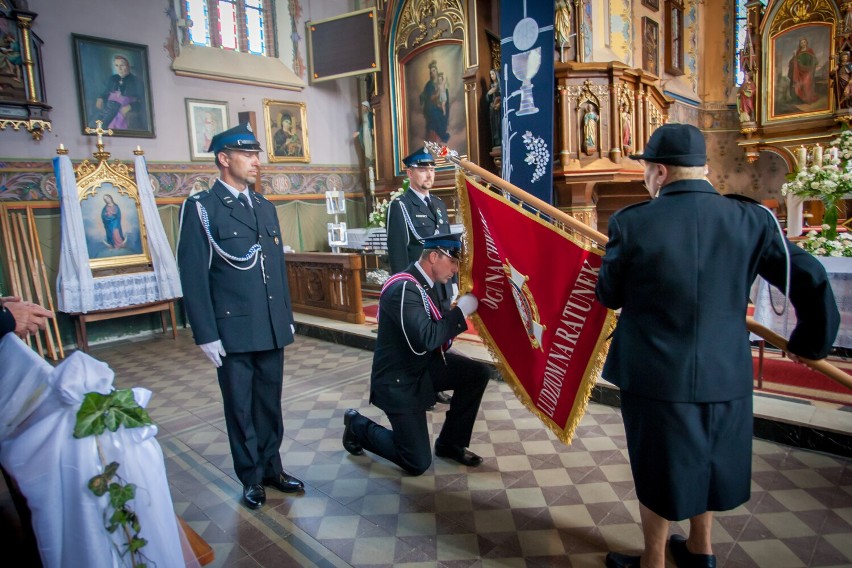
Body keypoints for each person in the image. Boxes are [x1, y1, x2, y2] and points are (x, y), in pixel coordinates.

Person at [596, 123, 840, 568]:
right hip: (724, 371)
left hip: (653, 374)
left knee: (659, 467)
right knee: (704, 460)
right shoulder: (752, 219)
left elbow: (609, 296)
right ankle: (699, 550)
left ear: (660, 173)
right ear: (703, 169)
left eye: (647, 170)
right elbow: (811, 276)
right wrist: (812, 341)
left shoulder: (631, 223)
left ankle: (653, 560)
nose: (646, 179)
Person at [177, 123, 302, 510]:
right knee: (241, 408)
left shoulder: (264, 206)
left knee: (269, 404)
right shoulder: (202, 208)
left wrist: (285, 316)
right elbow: (193, 274)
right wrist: (205, 333)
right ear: (223, 159)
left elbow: (276, 267)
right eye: (247, 155)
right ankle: (251, 477)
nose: (255, 162)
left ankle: (272, 468)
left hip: (268, 324)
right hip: (232, 328)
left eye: (256, 154)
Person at [341, 233, 491, 474]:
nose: (455, 269)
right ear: (434, 256)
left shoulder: (425, 285)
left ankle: (451, 444)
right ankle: (357, 426)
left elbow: (435, 335)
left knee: (477, 373)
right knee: (416, 461)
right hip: (399, 381)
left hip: (421, 368)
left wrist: (456, 351)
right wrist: (461, 311)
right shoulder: (404, 288)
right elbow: (427, 338)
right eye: (453, 262)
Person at [386, 147, 454, 405]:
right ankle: (419, 389)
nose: (429, 174)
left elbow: (447, 250)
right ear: (410, 172)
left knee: (439, 338)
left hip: (441, 287)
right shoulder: (401, 206)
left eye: (432, 169)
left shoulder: (438, 205)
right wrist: (406, 292)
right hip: (418, 289)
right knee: (418, 340)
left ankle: (435, 384)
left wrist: (452, 284)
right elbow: (398, 254)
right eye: (423, 169)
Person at [93, 54, 144, 130]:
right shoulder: (113, 78)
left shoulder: (136, 81)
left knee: (109, 124)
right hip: (109, 108)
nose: (119, 68)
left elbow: (142, 100)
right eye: (116, 65)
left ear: (128, 66)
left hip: (122, 108)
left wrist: (130, 107)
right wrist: (100, 98)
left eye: (122, 65)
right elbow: (106, 91)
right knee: (95, 122)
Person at [420, 60, 450, 143]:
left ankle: (441, 133)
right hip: (432, 107)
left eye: (434, 71)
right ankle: (436, 136)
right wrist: (438, 94)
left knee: (443, 110)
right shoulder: (429, 85)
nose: (432, 73)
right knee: (434, 113)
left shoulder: (440, 80)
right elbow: (431, 98)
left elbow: (444, 91)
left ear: (436, 71)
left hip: (440, 104)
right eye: (431, 72)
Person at [788, 37, 818, 105]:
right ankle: (800, 100)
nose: (803, 44)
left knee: (806, 84)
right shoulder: (798, 52)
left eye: (804, 42)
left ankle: (807, 99)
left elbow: (815, 61)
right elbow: (793, 62)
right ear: (800, 44)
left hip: (808, 71)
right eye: (801, 43)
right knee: (798, 85)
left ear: (806, 43)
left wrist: (811, 67)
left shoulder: (810, 50)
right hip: (799, 71)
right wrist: (794, 56)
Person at [486, 68, 502, 148]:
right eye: (490, 75)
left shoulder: (500, 85)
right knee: (494, 126)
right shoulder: (491, 86)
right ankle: (496, 141)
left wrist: (499, 103)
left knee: (499, 124)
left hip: (499, 109)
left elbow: (503, 96)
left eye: (493, 74)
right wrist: (488, 94)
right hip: (493, 110)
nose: (491, 76)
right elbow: (488, 99)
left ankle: (500, 140)